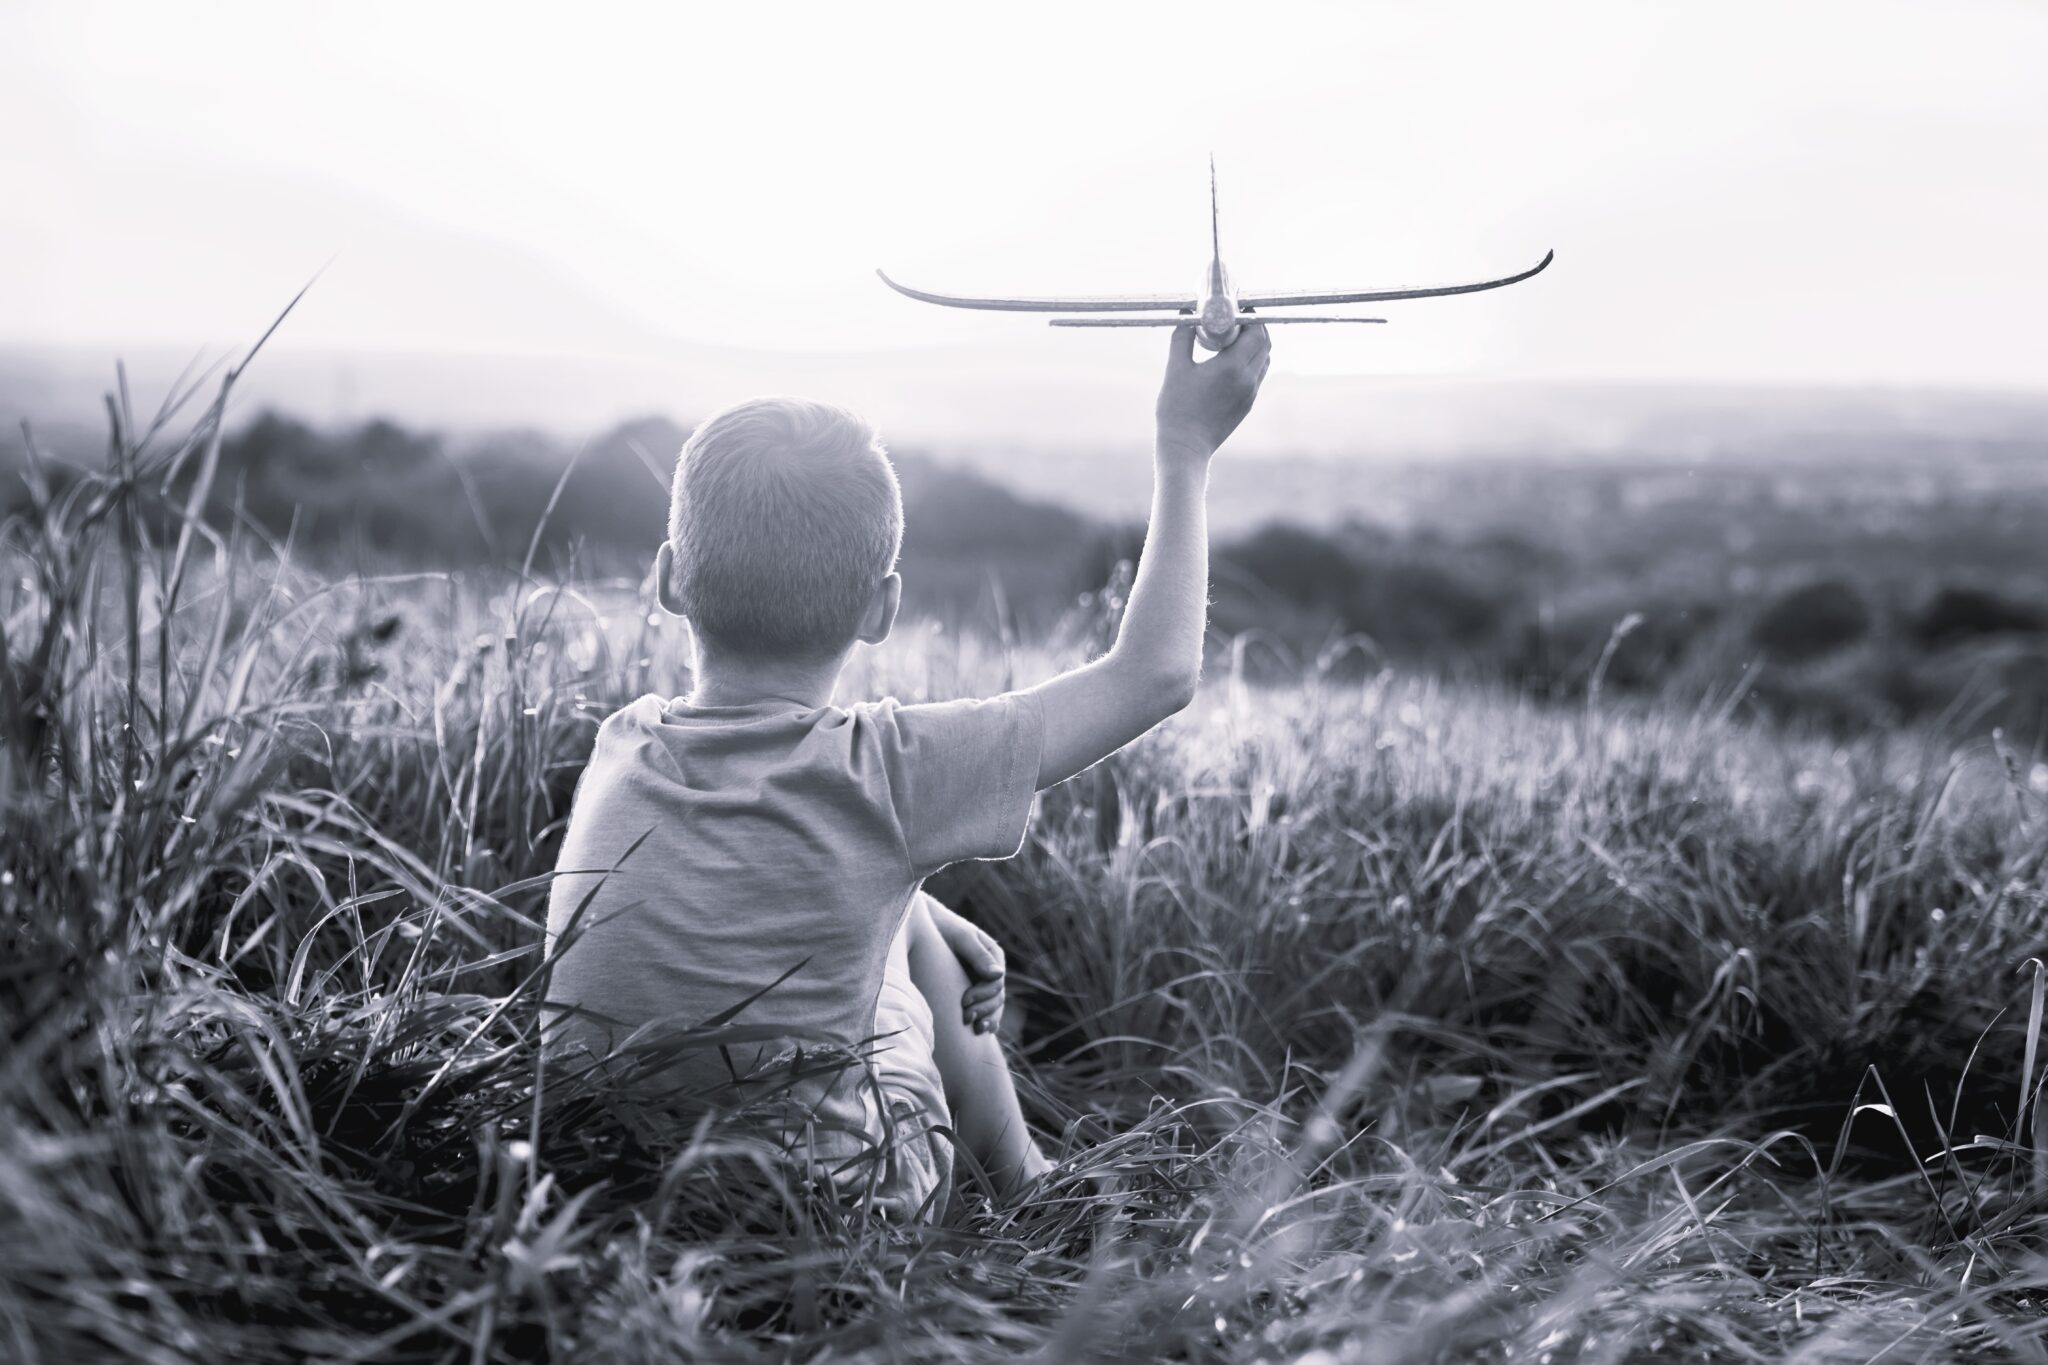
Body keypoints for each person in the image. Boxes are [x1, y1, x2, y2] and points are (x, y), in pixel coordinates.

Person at [543, 321, 1272, 1218]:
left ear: (666, 581)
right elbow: (1154, 674)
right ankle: (1028, 1188)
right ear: (883, 607)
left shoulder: (623, 741)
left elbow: (772, 854)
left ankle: (1000, 1123)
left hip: (594, 1194)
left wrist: (911, 906)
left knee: (905, 910)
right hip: (827, 1226)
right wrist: (1185, 448)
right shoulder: (885, 773)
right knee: (920, 945)